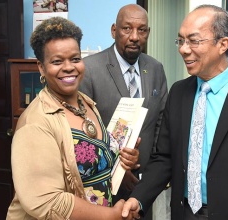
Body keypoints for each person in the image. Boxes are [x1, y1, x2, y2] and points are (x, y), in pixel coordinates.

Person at [122, 4, 228, 220]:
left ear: (223, 44)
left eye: (194, 41)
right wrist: (138, 199)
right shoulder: (179, 93)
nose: (184, 49)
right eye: (181, 40)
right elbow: (164, 158)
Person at [6, 16, 140, 220]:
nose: (69, 67)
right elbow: (46, 200)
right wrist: (110, 216)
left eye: (75, 59)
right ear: (41, 67)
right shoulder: (35, 123)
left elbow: (94, 162)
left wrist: (123, 163)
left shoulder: (86, 103)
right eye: (57, 61)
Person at [79, 4, 169, 220]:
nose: (134, 36)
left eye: (142, 30)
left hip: (144, 186)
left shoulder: (155, 68)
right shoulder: (89, 69)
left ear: (148, 33)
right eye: (127, 29)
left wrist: (150, 173)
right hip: (102, 186)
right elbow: (83, 133)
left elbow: (161, 123)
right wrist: (119, 170)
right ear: (114, 30)